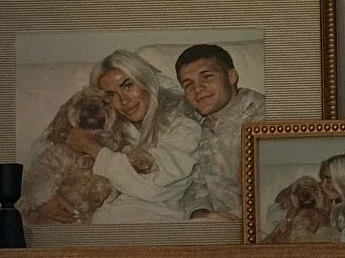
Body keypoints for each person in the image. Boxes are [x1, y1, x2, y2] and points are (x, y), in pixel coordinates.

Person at [32, 49, 201, 225]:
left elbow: (153, 186)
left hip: (149, 221)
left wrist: (89, 147)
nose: (123, 100)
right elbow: (43, 151)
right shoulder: (110, 126)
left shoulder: (184, 128)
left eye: (128, 85)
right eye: (111, 95)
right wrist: (43, 199)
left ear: (146, 81)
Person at [175, 43, 266, 221]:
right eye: (188, 84)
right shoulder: (191, 129)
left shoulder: (266, 119)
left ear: (231, 76)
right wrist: (200, 213)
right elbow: (193, 184)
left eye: (207, 77)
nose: (197, 89)